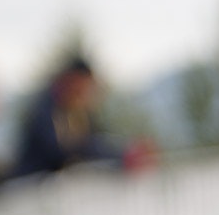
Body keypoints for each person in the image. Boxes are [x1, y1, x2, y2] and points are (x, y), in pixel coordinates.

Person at [12, 56, 153, 178]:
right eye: (83, 87)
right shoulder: (45, 110)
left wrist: (123, 152)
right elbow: (67, 150)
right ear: (70, 81)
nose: (86, 94)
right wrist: (121, 155)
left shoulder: (78, 112)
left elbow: (94, 140)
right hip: (29, 191)